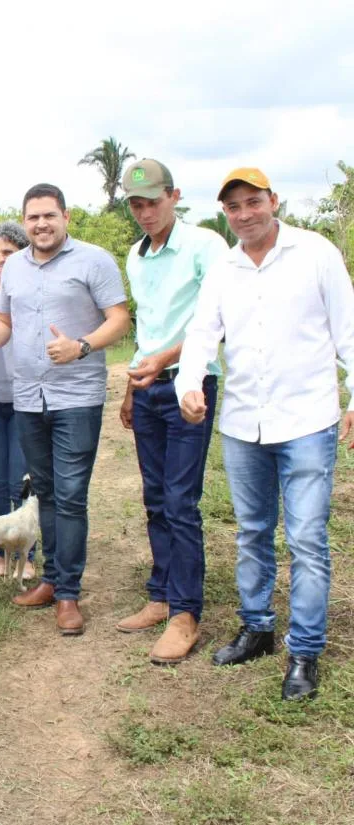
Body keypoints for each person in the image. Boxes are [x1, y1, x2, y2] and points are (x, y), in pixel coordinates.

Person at [176, 168, 354, 700]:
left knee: (305, 539)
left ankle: (304, 651)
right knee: (252, 531)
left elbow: (348, 329)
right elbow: (202, 331)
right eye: (234, 207)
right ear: (225, 214)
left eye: (253, 202)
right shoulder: (225, 267)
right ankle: (257, 627)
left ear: (273, 201)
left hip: (307, 420)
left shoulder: (315, 252)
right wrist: (189, 381)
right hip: (243, 421)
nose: (245, 214)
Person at [0, 183, 130, 635]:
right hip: (28, 396)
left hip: (76, 396)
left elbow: (119, 319)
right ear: (24, 222)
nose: (41, 224)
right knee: (43, 490)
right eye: (33, 217)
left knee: (70, 494)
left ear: (66, 216)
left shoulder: (95, 259)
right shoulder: (15, 270)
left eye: (49, 215)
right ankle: (50, 579)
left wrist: (81, 346)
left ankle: (68, 593)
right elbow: (5, 319)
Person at [116, 160, 228, 664]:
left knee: (182, 500)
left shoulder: (206, 246)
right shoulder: (136, 256)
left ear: (174, 196)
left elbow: (218, 321)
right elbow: (148, 329)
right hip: (148, 388)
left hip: (190, 385)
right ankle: (161, 595)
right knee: (155, 496)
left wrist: (166, 360)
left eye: (152, 202)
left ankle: (186, 614)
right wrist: (132, 386)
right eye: (136, 204)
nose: (144, 212)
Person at [0, 221, 36, 580]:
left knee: (21, 480)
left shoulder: (31, 292)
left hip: (24, 400)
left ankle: (26, 556)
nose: (0, 259)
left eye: (8, 253)